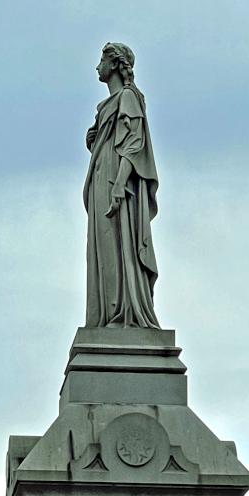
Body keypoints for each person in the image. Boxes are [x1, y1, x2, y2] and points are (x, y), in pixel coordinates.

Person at [83, 42, 160, 329]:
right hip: (101, 180)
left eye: (102, 59)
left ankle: (122, 313)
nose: (97, 66)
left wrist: (118, 184)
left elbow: (133, 143)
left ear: (114, 64)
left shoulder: (128, 97)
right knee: (102, 248)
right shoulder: (106, 106)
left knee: (117, 243)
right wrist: (95, 141)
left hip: (116, 182)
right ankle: (104, 315)